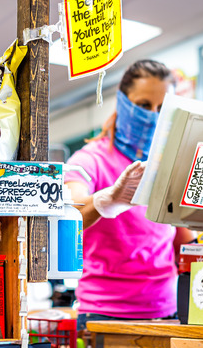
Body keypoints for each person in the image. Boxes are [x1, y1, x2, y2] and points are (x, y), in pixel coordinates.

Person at [65, 59, 195, 330]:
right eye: (144, 105)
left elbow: (182, 241)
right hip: (104, 314)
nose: (153, 115)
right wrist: (107, 200)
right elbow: (69, 214)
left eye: (162, 108)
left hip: (166, 311)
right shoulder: (90, 160)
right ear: (123, 103)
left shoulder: (167, 164)